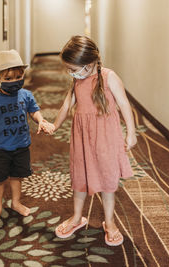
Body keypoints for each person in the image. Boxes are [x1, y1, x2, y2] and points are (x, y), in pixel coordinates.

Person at [48, 36, 137, 246]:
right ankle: (77, 217)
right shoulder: (77, 79)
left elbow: (124, 104)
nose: (72, 73)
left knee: (107, 179)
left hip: (105, 136)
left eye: (74, 69)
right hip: (82, 136)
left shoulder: (109, 77)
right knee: (79, 175)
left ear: (90, 64)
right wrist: (54, 125)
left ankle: (109, 221)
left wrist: (131, 132)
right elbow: (65, 105)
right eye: (69, 69)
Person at [0, 49, 54, 224]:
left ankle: (16, 202)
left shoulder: (26, 95)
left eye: (18, 77)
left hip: (21, 145)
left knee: (17, 176)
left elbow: (34, 111)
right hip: (0, 148)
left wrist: (40, 120)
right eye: (8, 79)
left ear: (23, 74)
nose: (14, 82)